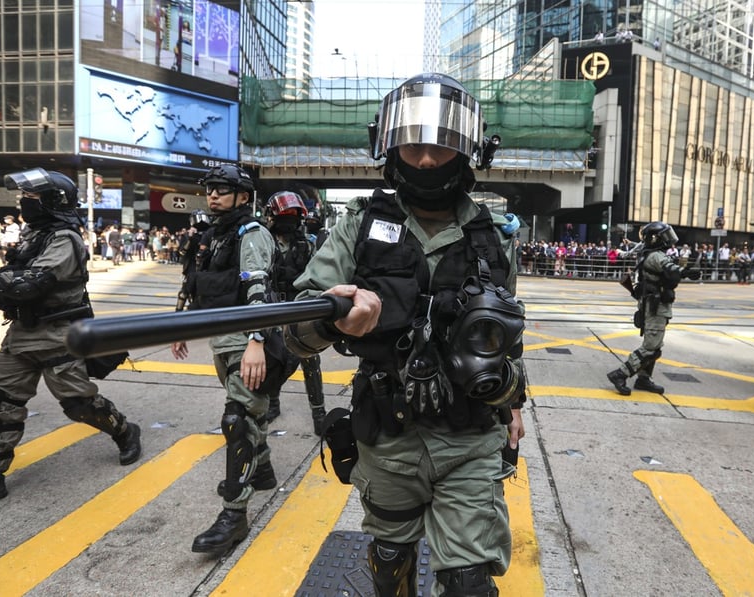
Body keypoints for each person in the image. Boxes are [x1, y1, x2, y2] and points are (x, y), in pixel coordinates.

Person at [285, 73, 525, 596]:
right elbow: (296, 329)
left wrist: (512, 404)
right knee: (390, 562)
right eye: (414, 145)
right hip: (388, 435)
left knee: (469, 582)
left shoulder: (495, 238)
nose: (426, 160)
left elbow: (508, 336)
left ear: (468, 151)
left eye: (441, 146)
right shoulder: (358, 225)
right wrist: (332, 318)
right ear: (390, 147)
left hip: (470, 436)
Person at [0, 168, 142, 510]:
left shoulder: (65, 239)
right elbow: (13, 276)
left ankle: (124, 431)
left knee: (79, 405)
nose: (23, 203)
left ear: (51, 202)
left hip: (57, 335)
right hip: (22, 333)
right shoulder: (36, 236)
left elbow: (32, 283)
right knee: (2, 405)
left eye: (31, 197)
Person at [170, 164, 289, 554]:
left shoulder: (251, 234)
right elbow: (192, 280)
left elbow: (259, 284)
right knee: (249, 414)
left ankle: (233, 515)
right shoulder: (211, 236)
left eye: (223, 189)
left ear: (243, 196)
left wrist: (256, 338)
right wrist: (180, 324)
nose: (214, 195)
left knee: (237, 420)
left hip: (246, 340)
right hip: (222, 341)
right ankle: (265, 469)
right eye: (211, 189)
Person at [607, 222, 700, 396]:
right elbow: (672, 272)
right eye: (664, 236)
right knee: (651, 347)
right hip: (655, 307)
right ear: (656, 238)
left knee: (654, 346)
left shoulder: (651, 253)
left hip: (655, 305)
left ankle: (643, 378)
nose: (668, 239)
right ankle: (620, 374)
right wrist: (686, 272)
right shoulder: (656, 256)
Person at [265, 190, 323, 434]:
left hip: (299, 309)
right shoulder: (263, 241)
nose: (288, 220)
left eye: (293, 216)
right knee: (273, 359)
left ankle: (319, 413)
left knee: (310, 359)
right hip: (270, 309)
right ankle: (273, 402)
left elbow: (320, 275)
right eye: (284, 215)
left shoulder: (307, 244)